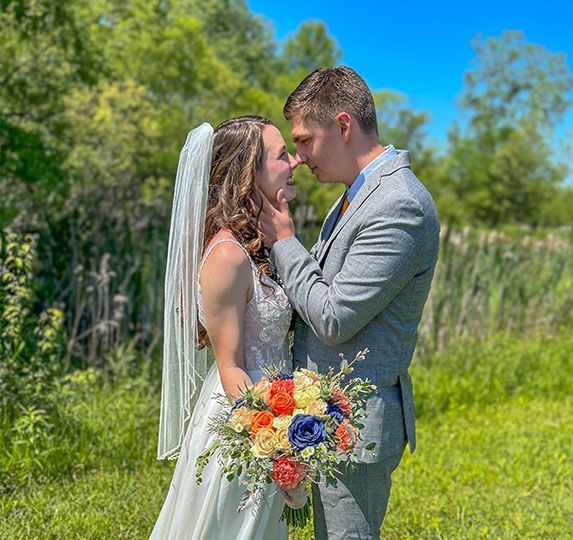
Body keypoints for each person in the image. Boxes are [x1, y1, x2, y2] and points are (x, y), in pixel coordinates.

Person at [257, 66, 440, 540]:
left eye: (304, 141)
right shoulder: (355, 196)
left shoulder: (399, 205)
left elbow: (334, 317)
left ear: (343, 126)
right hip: (323, 417)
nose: (298, 158)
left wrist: (282, 239)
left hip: (355, 426)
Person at [150, 116, 299, 539]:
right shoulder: (228, 256)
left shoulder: (257, 244)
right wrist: (276, 444)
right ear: (247, 172)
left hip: (270, 412)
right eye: (281, 155)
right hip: (244, 418)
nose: (295, 163)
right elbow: (231, 366)